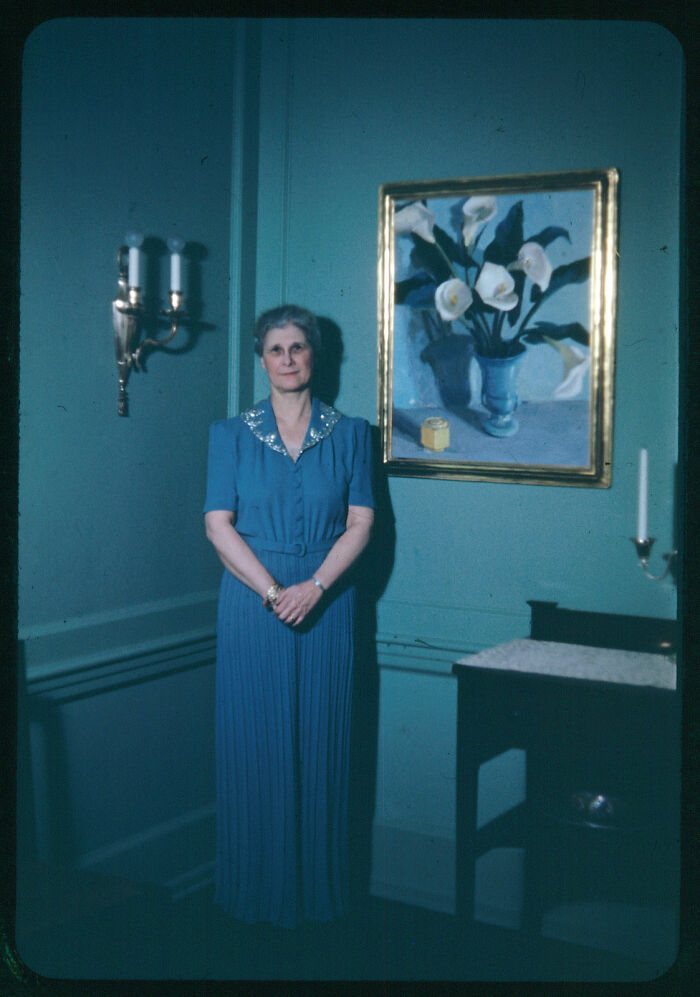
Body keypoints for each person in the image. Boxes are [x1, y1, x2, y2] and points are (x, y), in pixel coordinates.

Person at [203, 305, 375, 930]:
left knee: (322, 745)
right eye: (276, 349)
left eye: (298, 347)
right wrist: (277, 593)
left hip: (329, 608)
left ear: (315, 355)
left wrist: (317, 586)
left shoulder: (352, 433)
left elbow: (362, 524)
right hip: (255, 608)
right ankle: (253, 896)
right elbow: (217, 525)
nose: (288, 359)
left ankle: (319, 901)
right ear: (261, 357)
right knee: (256, 747)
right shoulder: (230, 434)